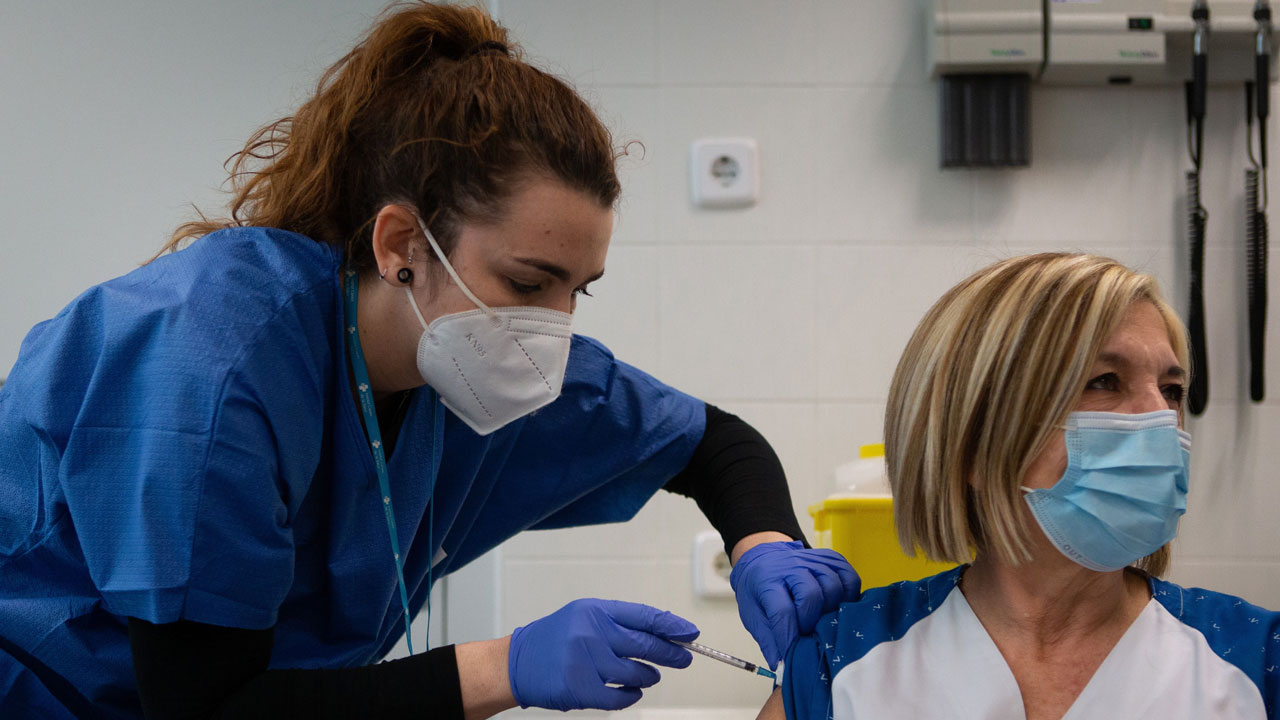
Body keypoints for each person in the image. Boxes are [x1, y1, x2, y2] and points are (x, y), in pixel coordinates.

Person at [0, 4, 858, 719]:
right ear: (402, 243)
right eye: (528, 281)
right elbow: (208, 705)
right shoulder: (212, 366)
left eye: (579, 290)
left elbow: (714, 442)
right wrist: (506, 667)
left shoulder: (467, 358)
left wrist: (764, 546)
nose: (553, 326)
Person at [758, 253, 1280, 720]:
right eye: (1103, 381)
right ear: (972, 441)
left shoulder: (1258, 659)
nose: (1160, 419)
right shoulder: (841, 662)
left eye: (1172, 390)